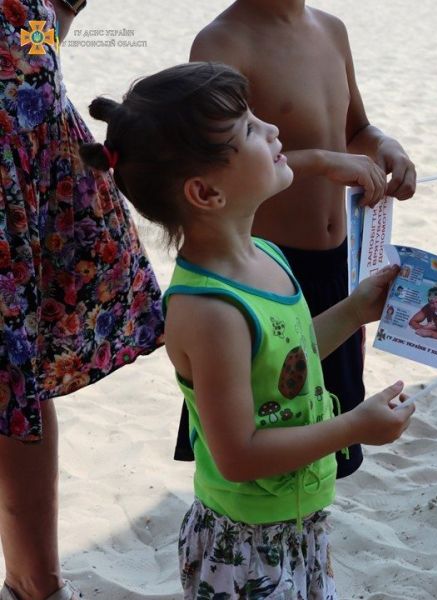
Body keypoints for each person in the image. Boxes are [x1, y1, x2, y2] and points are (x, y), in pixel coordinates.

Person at [79, 61, 414, 599]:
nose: (274, 130)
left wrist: (354, 311)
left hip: (300, 523)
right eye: (251, 129)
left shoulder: (266, 254)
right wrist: (354, 426)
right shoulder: (208, 309)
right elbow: (238, 454)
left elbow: (289, 361)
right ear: (206, 193)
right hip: (244, 546)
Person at [182, 0, 417, 479]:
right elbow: (212, 166)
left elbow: (357, 128)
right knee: (261, 430)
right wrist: (324, 161)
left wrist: (385, 145)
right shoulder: (221, 42)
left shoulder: (331, 29)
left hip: (339, 263)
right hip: (265, 272)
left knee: (326, 443)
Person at [0, 2, 164, 599]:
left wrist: (29, 52)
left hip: (27, 177)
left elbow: (49, 27)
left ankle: (33, 580)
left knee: (22, 377)